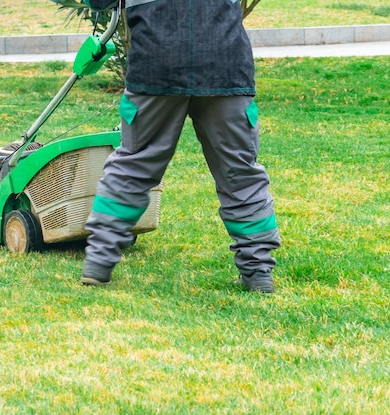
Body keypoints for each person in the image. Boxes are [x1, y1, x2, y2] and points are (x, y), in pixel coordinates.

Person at [81, 0, 281, 293]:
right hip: (224, 65)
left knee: (133, 165)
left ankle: (98, 264)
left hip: (157, 66)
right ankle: (258, 271)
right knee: (240, 173)